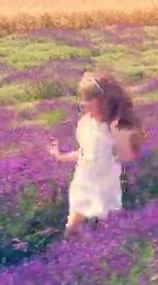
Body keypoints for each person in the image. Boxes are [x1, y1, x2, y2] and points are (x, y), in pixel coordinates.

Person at [48, 71, 144, 236]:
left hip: (105, 185)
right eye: (83, 98)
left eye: (90, 99)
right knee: (72, 225)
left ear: (105, 102)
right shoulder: (85, 122)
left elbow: (127, 157)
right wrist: (60, 156)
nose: (84, 103)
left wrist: (116, 133)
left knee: (108, 227)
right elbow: (86, 152)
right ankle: (66, 252)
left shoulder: (116, 127)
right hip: (83, 181)